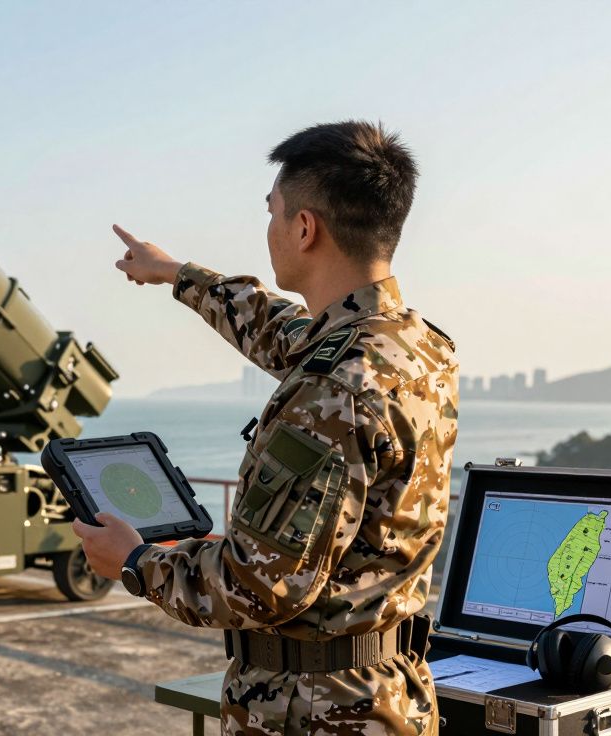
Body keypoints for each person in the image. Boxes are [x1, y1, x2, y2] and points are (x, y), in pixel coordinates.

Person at [73, 120, 459, 735]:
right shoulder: (410, 346)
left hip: (317, 712)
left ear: (305, 228)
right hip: (388, 692)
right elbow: (280, 330)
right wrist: (175, 273)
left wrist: (135, 560)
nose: (269, 227)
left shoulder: (335, 388)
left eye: (273, 211)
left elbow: (261, 585)